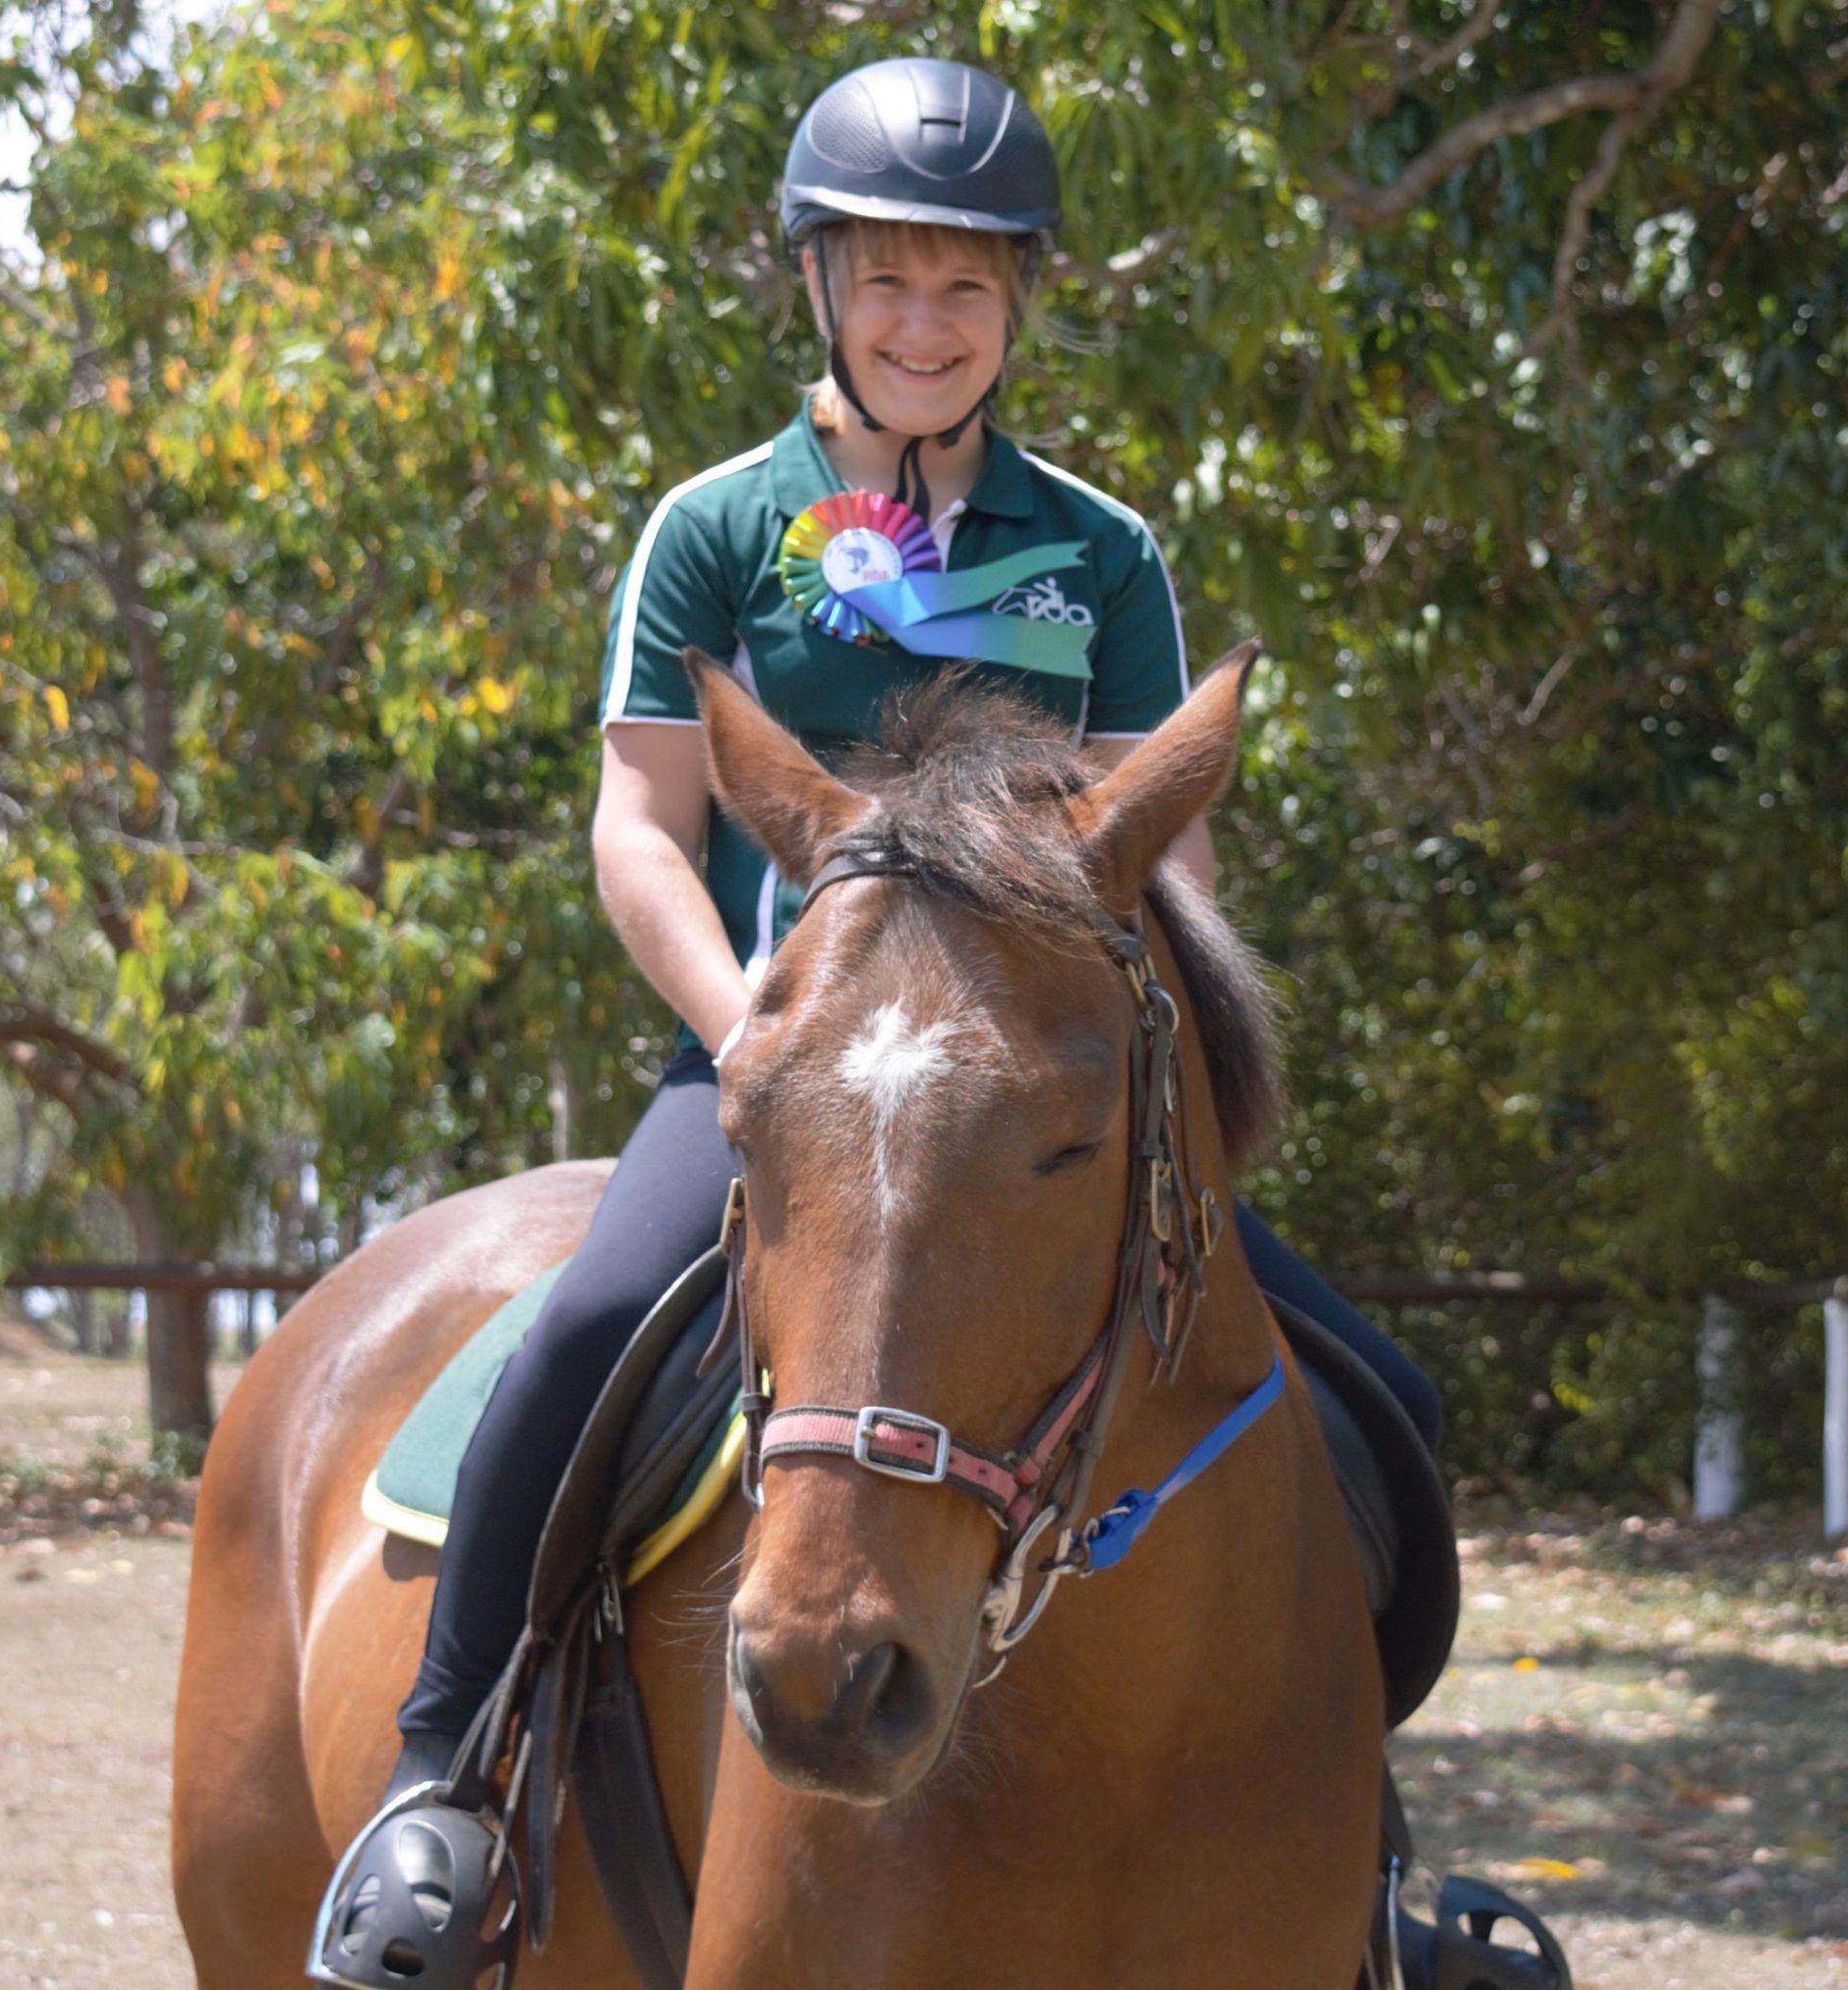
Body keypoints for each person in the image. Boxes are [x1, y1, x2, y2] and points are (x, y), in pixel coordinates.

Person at [316, 56, 1550, 1990]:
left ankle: (1361, 1865)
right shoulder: (718, 530)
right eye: (886, 282)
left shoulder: (1105, 556)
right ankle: (441, 1785)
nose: (921, 324)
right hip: (780, 1072)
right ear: (820, 286)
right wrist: (750, 1033)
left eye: (964, 290)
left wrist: (1166, 1061)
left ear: (1019, 309)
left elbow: (1166, 865)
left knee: (1368, 1401)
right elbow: (642, 822)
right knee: (569, 1339)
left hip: (1041, 1087)